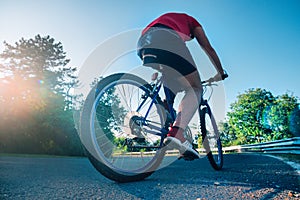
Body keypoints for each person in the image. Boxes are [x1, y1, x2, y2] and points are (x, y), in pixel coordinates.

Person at [137, 13, 227, 157]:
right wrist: (220, 72)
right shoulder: (193, 21)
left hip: (143, 45)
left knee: (173, 80)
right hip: (167, 38)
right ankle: (177, 132)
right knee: (195, 88)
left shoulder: (169, 18)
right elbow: (207, 47)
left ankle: (166, 112)